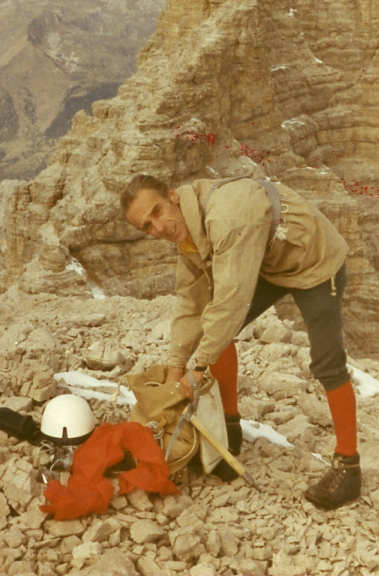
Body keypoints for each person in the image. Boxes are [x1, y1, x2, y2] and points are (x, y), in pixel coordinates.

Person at [121, 173, 361, 510]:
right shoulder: (188, 232)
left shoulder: (227, 215)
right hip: (266, 260)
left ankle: (348, 469)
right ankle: (230, 432)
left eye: (157, 212)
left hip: (311, 259)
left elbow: (231, 304)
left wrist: (199, 367)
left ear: (173, 196)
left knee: (326, 360)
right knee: (213, 332)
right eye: (147, 226)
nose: (158, 227)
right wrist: (176, 367)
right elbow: (191, 300)